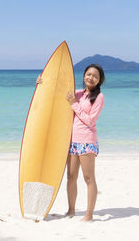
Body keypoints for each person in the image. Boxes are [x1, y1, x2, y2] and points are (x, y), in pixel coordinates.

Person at [37, 63, 105, 222]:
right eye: (89, 74)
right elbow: (56, 93)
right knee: (71, 177)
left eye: (95, 76)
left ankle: (89, 215)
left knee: (89, 179)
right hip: (72, 141)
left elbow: (91, 121)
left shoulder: (99, 97)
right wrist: (42, 83)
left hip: (87, 142)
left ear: (99, 80)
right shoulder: (78, 93)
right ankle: (71, 210)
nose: (91, 78)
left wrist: (74, 104)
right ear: (84, 76)